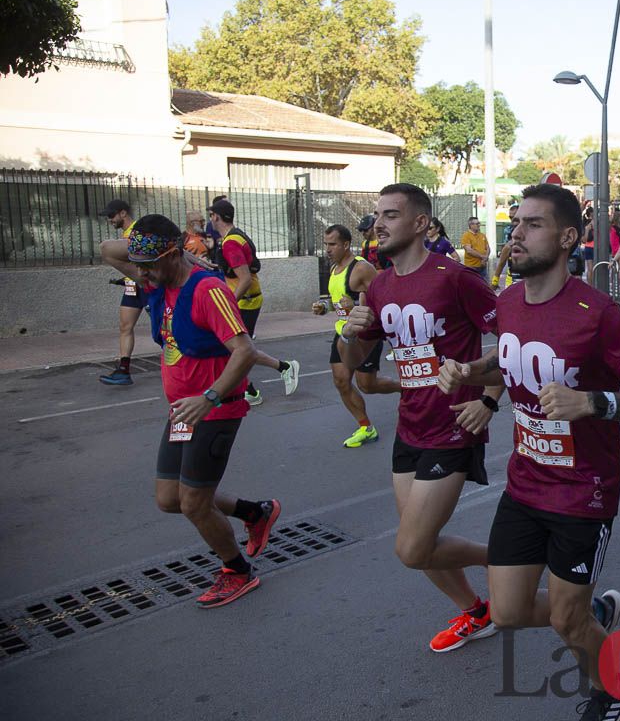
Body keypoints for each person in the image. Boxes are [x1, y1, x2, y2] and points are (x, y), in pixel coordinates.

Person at [436, 182, 620, 721]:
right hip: (524, 483)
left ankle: (612, 689)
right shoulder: (506, 302)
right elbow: (510, 360)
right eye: (516, 223)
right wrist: (468, 371)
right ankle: (587, 614)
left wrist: (594, 402)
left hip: (583, 493)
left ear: (569, 237)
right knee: (507, 610)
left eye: (533, 224)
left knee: (567, 624)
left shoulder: (597, 314)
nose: (515, 233)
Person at [339, 183, 506, 653]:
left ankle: (509, 560)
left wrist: (490, 399)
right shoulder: (379, 286)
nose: (378, 223)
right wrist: (351, 333)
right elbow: (355, 359)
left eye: (390, 214)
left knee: (412, 547)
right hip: (409, 427)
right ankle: (479, 612)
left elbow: (513, 342)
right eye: (376, 214)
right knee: (421, 546)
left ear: (420, 223)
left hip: (454, 425)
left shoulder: (455, 278)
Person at [100, 215, 281, 609]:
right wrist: (150, 254)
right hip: (182, 412)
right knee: (169, 498)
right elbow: (107, 250)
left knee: (193, 503)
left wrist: (209, 397)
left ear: (173, 254)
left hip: (214, 410)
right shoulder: (156, 281)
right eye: (140, 266)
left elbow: (244, 351)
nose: (142, 274)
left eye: (149, 265)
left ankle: (237, 571)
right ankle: (256, 512)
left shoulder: (208, 290)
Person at [314, 224, 403, 448]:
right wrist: (325, 307)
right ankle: (366, 427)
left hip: (365, 334)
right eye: (326, 244)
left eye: (332, 244)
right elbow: (339, 303)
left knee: (367, 385)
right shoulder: (335, 269)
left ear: (345, 244)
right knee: (341, 381)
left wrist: (354, 303)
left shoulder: (361, 268)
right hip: (343, 333)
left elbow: (384, 298)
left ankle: (406, 388)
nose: (328, 249)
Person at [208, 199, 299, 405]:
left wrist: (229, 303)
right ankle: (256, 385)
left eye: (211, 215)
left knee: (238, 350)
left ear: (216, 216)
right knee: (236, 349)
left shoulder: (231, 242)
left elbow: (245, 278)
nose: (210, 219)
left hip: (244, 303)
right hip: (246, 301)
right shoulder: (236, 236)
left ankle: (271, 377)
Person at [98, 199, 146, 386]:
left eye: (111, 215)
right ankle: (124, 370)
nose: (109, 220)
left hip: (146, 286)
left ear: (123, 213)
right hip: (131, 287)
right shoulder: (126, 234)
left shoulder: (138, 231)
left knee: (164, 328)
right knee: (125, 327)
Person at [492, 203, 522, 289]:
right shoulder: (509, 232)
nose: (513, 221)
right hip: (512, 280)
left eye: (516, 217)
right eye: (511, 218)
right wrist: (495, 281)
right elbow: (502, 261)